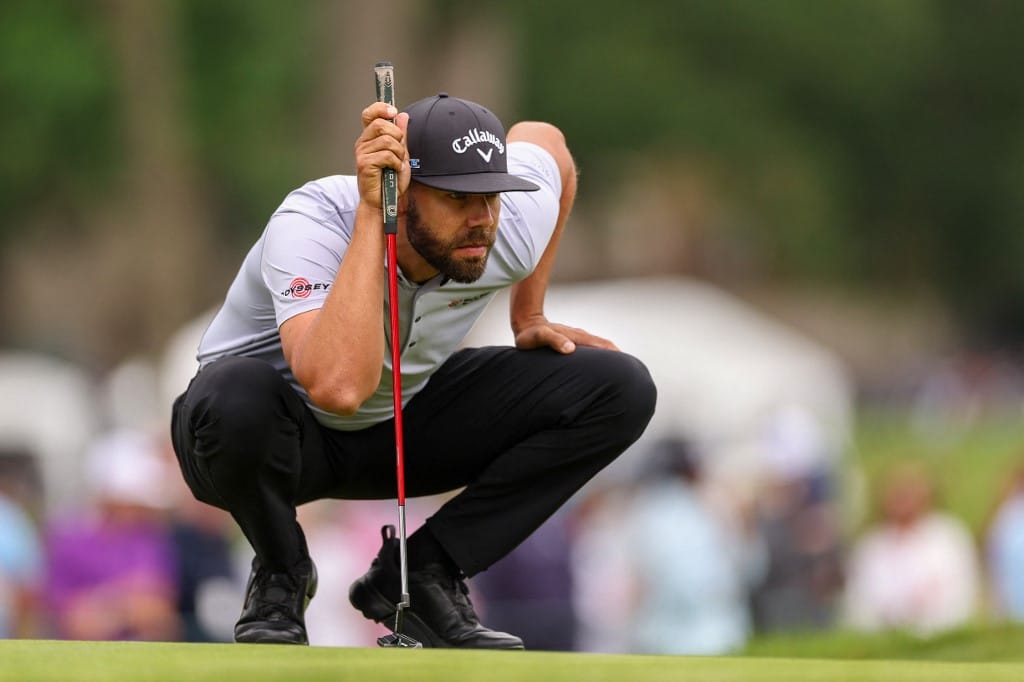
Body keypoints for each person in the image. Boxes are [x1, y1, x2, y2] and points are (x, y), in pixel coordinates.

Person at [169, 92, 657, 648]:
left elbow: (550, 144)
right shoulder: (310, 221)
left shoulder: (503, 227)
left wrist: (530, 312)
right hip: (263, 442)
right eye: (456, 198)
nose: (481, 220)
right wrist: (371, 216)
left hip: (395, 427)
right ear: (401, 193)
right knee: (232, 391)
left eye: (491, 196)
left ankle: (424, 573)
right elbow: (337, 389)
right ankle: (281, 571)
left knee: (620, 386)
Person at [842, 463, 980, 635]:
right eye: (897, 493)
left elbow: (960, 595)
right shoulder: (870, 547)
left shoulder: (949, 537)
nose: (903, 500)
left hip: (939, 639)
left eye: (909, 492)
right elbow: (859, 604)